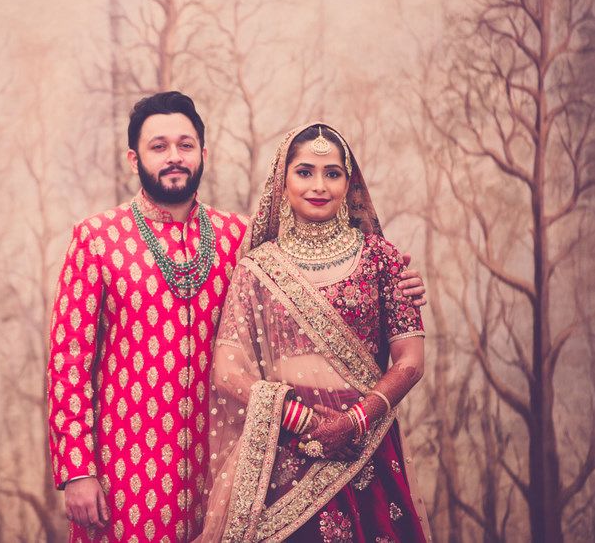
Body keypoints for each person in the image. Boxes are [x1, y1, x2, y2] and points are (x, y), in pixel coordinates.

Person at [47, 98, 428, 543]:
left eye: (185, 144)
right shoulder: (97, 240)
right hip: (129, 465)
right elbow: (69, 365)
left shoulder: (240, 239)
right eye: (159, 146)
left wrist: (402, 285)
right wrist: (77, 470)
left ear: (203, 154)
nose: (174, 156)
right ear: (134, 159)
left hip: (231, 466)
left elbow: (319, 282)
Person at [197, 123, 430, 542]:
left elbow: (411, 362)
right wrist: (300, 419)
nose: (319, 185)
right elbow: (226, 370)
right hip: (287, 449)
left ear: (348, 182)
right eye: (304, 172)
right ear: (281, 182)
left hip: (367, 444)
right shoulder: (259, 267)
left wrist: (357, 420)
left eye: (332, 173)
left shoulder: (382, 257)